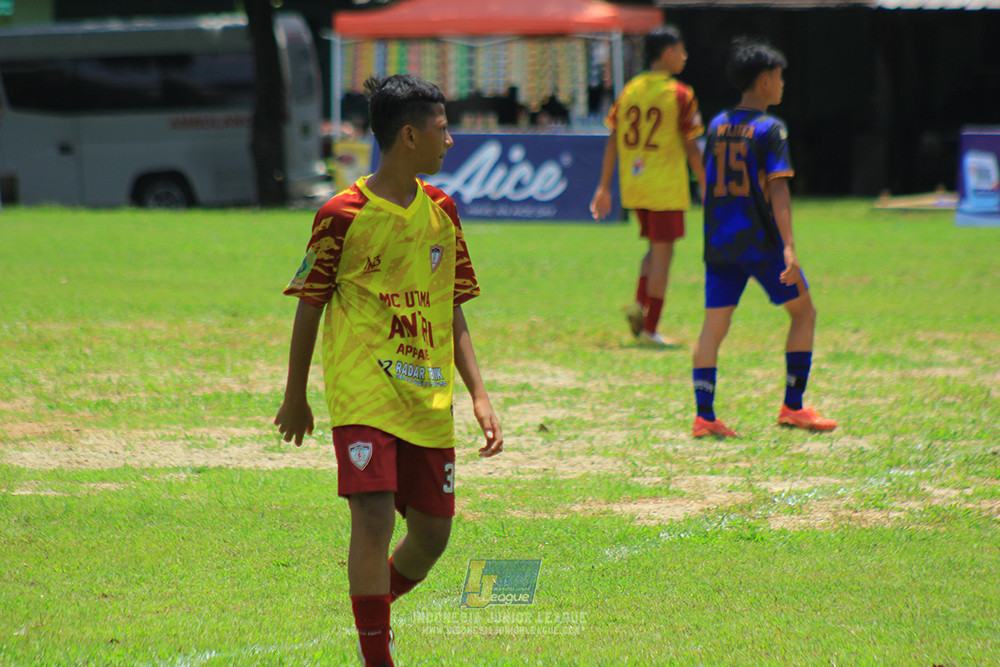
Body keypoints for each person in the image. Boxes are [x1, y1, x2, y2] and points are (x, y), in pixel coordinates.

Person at [274, 73, 504, 667]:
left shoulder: (443, 213)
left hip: (427, 397)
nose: (450, 141)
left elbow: (452, 309)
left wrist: (479, 393)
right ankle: (377, 655)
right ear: (409, 136)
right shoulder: (341, 214)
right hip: (363, 391)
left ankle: (374, 607)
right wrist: (295, 394)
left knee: (432, 536)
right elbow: (310, 302)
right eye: (443, 128)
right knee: (373, 515)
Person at [691, 38, 836, 438]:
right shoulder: (771, 129)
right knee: (804, 314)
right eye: (780, 76)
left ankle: (704, 416)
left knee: (712, 329)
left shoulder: (718, 124)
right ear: (766, 81)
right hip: (760, 243)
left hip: (719, 243)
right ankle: (793, 406)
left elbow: (709, 182)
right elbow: (778, 189)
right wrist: (788, 245)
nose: (783, 83)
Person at [590, 24, 706, 348]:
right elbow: (692, 145)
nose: (684, 57)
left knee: (653, 251)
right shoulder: (680, 94)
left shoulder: (630, 89)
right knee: (663, 256)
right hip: (666, 187)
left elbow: (613, 138)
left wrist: (604, 187)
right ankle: (650, 329)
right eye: (682, 51)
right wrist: (707, 183)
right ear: (668, 53)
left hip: (637, 186)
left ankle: (640, 308)